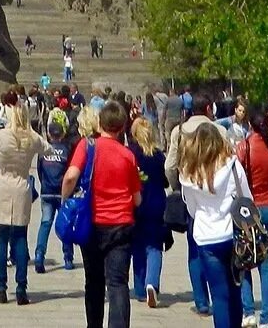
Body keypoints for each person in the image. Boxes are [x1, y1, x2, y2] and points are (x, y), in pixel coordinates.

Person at [62, 100, 141, 328]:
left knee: (94, 281)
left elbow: (70, 176)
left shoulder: (87, 146)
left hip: (92, 223)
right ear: (123, 126)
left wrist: (65, 198)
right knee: (118, 283)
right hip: (120, 225)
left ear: (100, 122)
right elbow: (137, 198)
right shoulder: (128, 155)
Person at [180, 121, 250, 328]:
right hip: (232, 234)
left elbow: (192, 210)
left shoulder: (189, 174)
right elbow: (247, 198)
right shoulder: (233, 165)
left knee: (219, 296)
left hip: (206, 237)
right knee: (235, 289)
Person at [0, 101, 47, 306]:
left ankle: (1, 287)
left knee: (1, 238)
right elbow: (47, 150)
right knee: (21, 237)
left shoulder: (3, 136)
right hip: (22, 186)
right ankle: (21, 287)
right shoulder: (32, 137)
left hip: (2, 186)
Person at [164, 95, 216, 317]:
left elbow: (170, 166)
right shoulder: (218, 130)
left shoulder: (180, 131)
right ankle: (217, 294)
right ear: (207, 108)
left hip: (190, 195)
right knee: (214, 247)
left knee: (194, 248)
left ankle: (201, 300)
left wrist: (178, 186)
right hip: (215, 194)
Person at [235, 111, 268, 328]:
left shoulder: (244, 147)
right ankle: (266, 318)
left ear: (250, 124)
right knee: (267, 265)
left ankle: (248, 313)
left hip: (248, 211)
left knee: (244, 260)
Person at [128, 116, 168, 309]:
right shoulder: (159, 155)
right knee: (154, 247)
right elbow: (165, 180)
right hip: (156, 203)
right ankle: (151, 283)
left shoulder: (131, 154)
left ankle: (139, 287)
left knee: (137, 247)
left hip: (136, 203)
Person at [34, 117, 74, 274]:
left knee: (45, 223)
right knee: (65, 224)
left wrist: (44, 183)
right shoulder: (66, 150)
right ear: (62, 134)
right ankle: (68, 257)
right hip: (62, 192)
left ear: (49, 135)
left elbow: (39, 170)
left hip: (47, 191)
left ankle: (39, 254)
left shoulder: (44, 151)